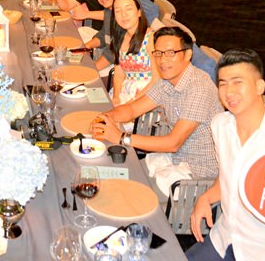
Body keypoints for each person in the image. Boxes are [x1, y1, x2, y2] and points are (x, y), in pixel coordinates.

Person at [185, 49, 265, 261]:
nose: (228, 92)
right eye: (223, 83)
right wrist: (206, 197)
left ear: (259, 86)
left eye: (237, 82)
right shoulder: (220, 125)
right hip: (224, 238)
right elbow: (227, 179)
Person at [91, 26, 221, 183]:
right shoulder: (165, 81)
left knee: (122, 186)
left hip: (196, 174)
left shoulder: (199, 88)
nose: (162, 60)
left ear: (188, 54)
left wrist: (120, 137)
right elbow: (132, 110)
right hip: (172, 159)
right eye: (158, 54)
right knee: (110, 172)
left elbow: (173, 143)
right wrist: (106, 117)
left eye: (171, 53)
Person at [108, 0, 158, 106]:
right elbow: (119, 73)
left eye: (128, 9)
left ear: (139, 12)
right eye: (118, 11)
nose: (123, 15)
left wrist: (131, 103)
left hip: (147, 97)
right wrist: (116, 96)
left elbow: (157, 80)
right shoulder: (119, 38)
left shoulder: (151, 38)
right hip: (125, 91)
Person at [84, 0, 126, 72]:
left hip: (121, 68)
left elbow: (115, 52)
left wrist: (92, 70)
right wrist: (87, 46)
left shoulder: (126, 15)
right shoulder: (109, 9)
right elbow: (104, 35)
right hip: (109, 57)